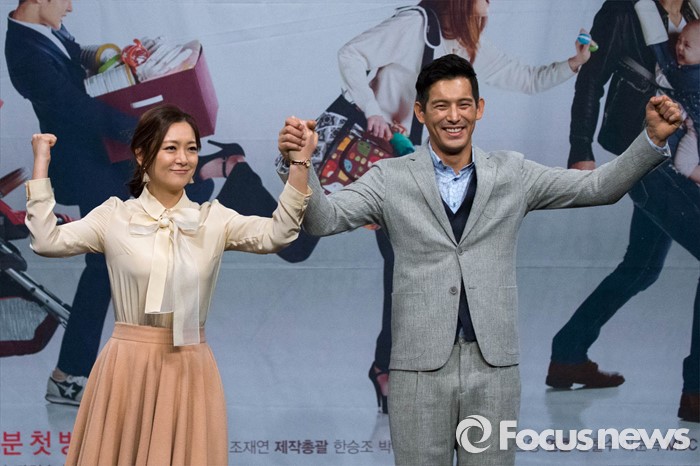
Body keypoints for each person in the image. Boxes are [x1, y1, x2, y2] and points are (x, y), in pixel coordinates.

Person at [278, 54, 681, 465]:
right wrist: (298, 164)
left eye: (463, 104)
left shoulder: (512, 172)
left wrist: (650, 140)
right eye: (441, 105)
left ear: (479, 109)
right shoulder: (389, 178)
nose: (454, 116)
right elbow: (322, 220)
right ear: (421, 112)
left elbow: (598, 187)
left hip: (493, 372)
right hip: (417, 373)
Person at [4, 0, 310, 406]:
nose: (71, 7)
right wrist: (147, 127)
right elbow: (77, 110)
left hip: (106, 157)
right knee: (112, 262)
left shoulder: (45, 28)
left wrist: (126, 60)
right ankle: (73, 376)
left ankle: (78, 374)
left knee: (181, 205)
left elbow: (78, 59)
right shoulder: (24, 50)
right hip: (89, 167)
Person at [334, 0, 592, 413]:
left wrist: (573, 63)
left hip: (406, 170)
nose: (489, 4)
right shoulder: (415, 25)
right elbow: (351, 54)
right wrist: (374, 110)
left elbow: (525, 77)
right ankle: (235, 170)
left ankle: (392, 370)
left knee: (407, 264)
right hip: (365, 154)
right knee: (298, 244)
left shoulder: (465, 45)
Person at [24, 104, 310, 465]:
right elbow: (46, 241)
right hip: (126, 367)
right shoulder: (114, 216)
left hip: (190, 365)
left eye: (191, 148)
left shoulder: (213, 219)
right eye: (170, 148)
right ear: (142, 155)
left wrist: (299, 164)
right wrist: (41, 162)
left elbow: (280, 233)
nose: (183, 159)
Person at [547, 0, 700, 423]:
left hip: (680, 154)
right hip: (643, 152)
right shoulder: (620, 12)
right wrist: (580, 148)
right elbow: (590, 81)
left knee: (642, 267)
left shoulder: (693, 14)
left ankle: (568, 353)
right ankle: (696, 391)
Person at [637, 0, 700, 183]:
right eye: (679, 41)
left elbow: (663, 67)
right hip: (692, 128)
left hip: (694, 130)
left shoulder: (687, 77)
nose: (679, 47)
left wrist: (643, 6)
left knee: (683, 164)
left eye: (687, 45)